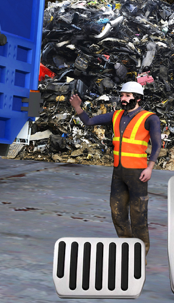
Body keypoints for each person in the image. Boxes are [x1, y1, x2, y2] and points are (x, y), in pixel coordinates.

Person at [69, 82, 162, 255]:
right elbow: (89, 121)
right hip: (118, 173)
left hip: (137, 173)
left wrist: (150, 167)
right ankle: (127, 249)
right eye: (122, 95)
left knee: (138, 215)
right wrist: (78, 108)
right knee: (117, 213)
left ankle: (141, 254)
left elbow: (157, 144)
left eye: (128, 96)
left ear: (138, 98)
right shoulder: (117, 115)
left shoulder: (150, 118)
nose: (123, 99)